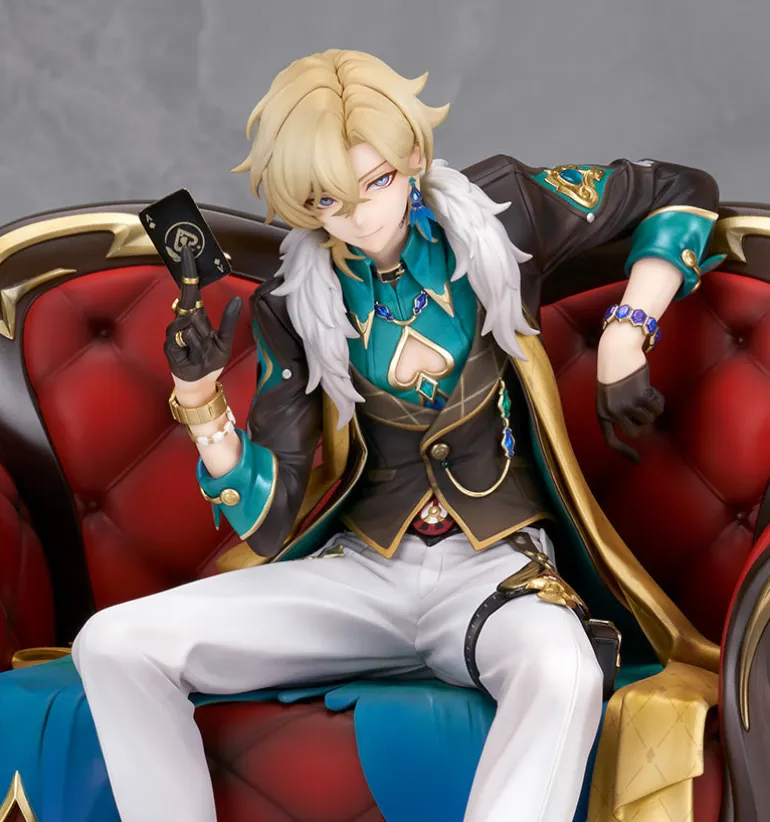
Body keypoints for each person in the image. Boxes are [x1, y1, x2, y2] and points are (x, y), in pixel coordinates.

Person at [71, 48, 723, 822]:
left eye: (376, 181)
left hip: (495, 570)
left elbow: (681, 189)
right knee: (113, 641)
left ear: (413, 155)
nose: (360, 215)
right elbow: (272, 517)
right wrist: (200, 400)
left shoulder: (502, 210)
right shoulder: (293, 301)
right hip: (362, 576)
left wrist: (625, 334)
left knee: (565, 672)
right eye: (326, 199)